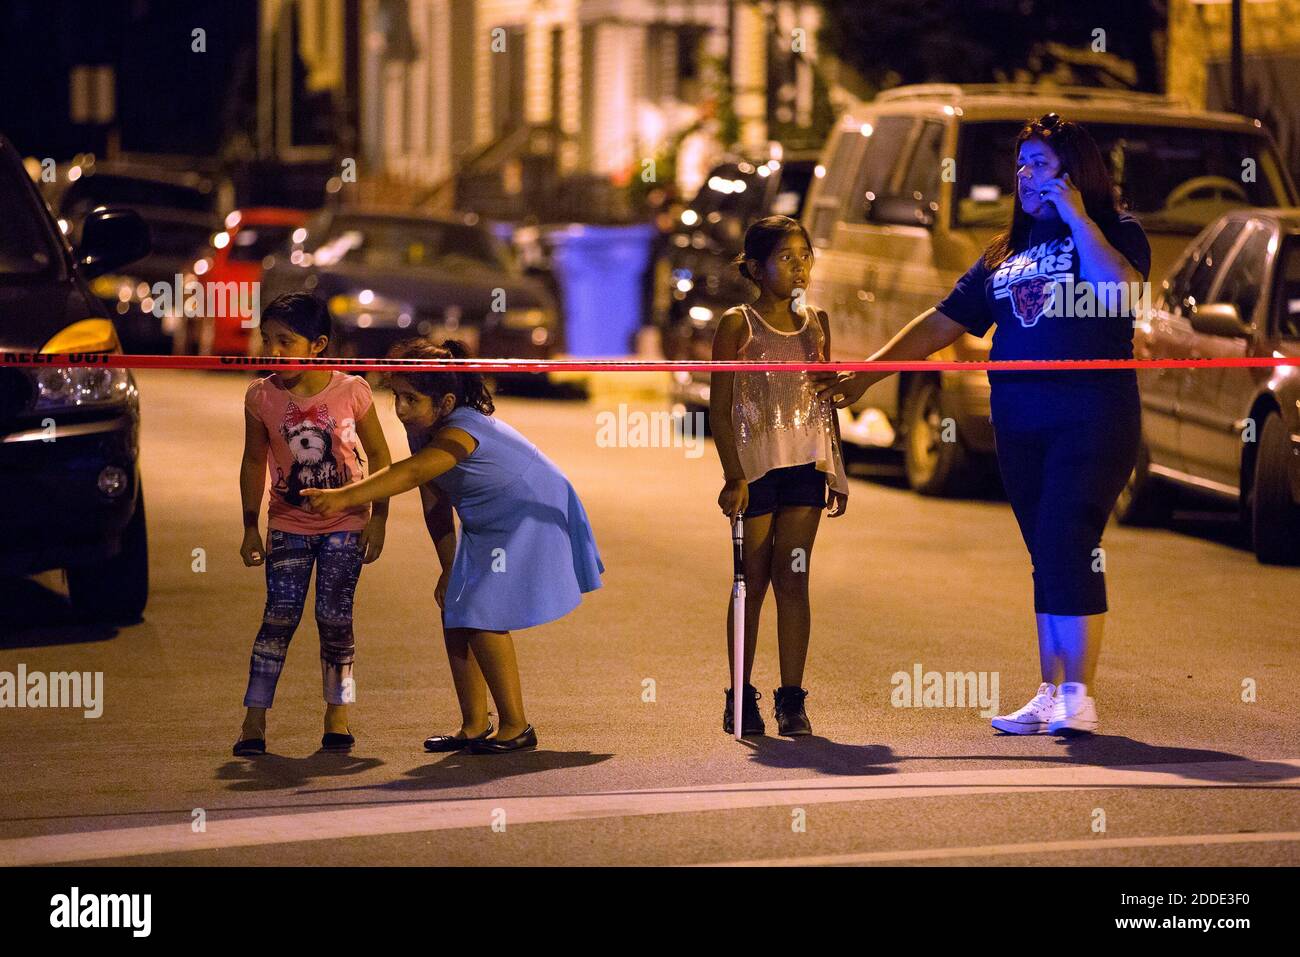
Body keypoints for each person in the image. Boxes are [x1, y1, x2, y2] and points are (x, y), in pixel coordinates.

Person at [814, 113, 1150, 736]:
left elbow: (1124, 295)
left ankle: (1080, 693)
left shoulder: (1115, 232)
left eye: (1041, 165)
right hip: (1019, 422)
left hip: (1092, 418)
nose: (1026, 176)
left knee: (1068, 540)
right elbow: (944, 320)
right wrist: (868, 373)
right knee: (1044, 553)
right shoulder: (1004, 253)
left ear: (1076, 174)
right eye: (1021, 164)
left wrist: (1077, 217)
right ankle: (1050, 690)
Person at [302, 338, 604, 754]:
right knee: (458, 607)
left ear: (445, 402)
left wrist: (342, 498)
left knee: (481, 613)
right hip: (488, 518)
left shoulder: (463, 428)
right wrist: (449, 567)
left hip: (527, 511)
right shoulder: (421, 427)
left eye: (411, 399)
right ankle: (474, 725)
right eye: (397, 396)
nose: (401, 408)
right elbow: (434, 499)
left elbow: (412, 473)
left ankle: (516, 727)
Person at [234, 292, 391, 756]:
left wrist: (378, 518)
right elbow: (253, 460)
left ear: (318, 344)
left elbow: (381, 457)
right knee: (278, 618)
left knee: (334, 618)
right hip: (287, 524)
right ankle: (254, 720)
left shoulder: (352, 391)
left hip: (345, 521)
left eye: (287, 341)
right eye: (267, 340)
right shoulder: (261, 395)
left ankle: (337, 713)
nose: (274, 351)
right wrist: (249, 526)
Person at [710, 215, 849, 737]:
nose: (799, 267)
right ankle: (739, 696)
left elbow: (824, 399)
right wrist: (733, 476)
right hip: (756, 468)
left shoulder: (817, 322)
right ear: (754, 266)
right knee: (753, 580)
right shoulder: (737, 325)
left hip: (805, 464)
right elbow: (720, 409)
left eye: (805, 255)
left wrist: (837, 470)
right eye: (786, 257)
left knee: (795, 577)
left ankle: (791, 699)